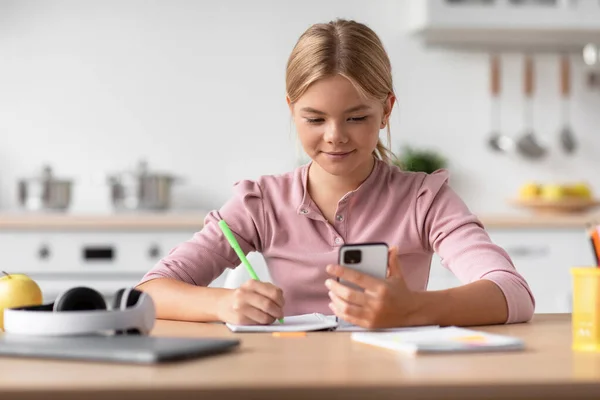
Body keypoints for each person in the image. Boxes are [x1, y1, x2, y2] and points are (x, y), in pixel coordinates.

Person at [136, 19, 535, 328]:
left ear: (387, 110)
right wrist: (223, 304)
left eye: (357, 117)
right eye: (314, 118)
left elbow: (512, 292)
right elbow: (148, 292)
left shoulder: (424, 200)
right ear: (291, 109)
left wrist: (412, 308)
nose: (335, 137)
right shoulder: (260, 203)